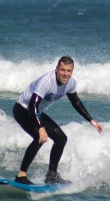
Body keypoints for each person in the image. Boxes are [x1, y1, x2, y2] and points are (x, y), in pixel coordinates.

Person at [12, 56, 103, 184]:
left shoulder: (70, 83)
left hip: (37, 112)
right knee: (40, 137)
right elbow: (33, 105)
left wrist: (91, 120)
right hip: (23, 110)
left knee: (61, 139)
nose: (65, 74)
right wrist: (41, 128)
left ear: (72, 71)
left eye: (68, 71)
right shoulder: (47, 82)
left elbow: (76, 102)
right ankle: (21, 176)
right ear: (56, 69)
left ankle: (52, 176)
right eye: (62, 70)